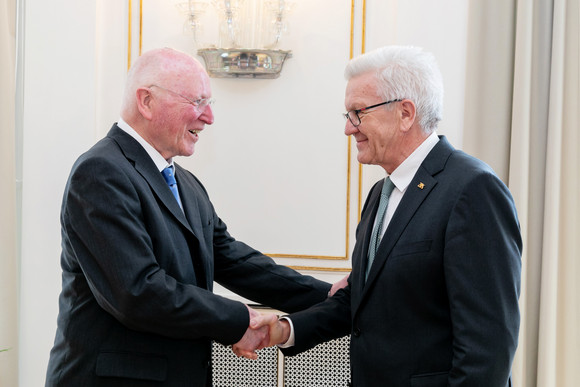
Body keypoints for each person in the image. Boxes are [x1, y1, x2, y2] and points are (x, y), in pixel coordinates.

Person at [45, 47, 343, 386]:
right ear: (146, 101)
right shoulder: (100, 172)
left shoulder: (184, 181)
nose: (209, 118)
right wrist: (238, 320)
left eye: (209, 104)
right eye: (197, 102)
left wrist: (329, 296)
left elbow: (231, 259)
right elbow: (138, 292)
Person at [239, 45, 522, 386]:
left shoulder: (473, 190)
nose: (349, 128)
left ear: (405, 113)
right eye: (348, 115)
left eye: (358, 112)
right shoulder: (380, 194)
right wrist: (285, 329)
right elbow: (361, 298)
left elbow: (487, 347)